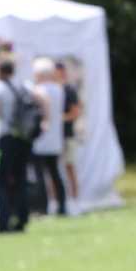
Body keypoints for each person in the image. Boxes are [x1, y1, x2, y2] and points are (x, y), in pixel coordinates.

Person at [0, 59, 30, 234]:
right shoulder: (23, 86)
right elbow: (41, 101)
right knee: (20, 179)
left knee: (1, 180)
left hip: (5, 138)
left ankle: (4, 221)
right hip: (24, 138)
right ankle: (22, 218)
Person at [30, 58, 67, 217]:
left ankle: (42, 207)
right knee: (55, 173)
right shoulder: (59, 90)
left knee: (40, 176)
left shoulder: (37, 90)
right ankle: (62, 205)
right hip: (56, 139)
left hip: (40, 140)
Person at [56, 62, 81, 210]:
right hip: (55, 137)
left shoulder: (69, 90)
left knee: (69, 166)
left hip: (67, 134)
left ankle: (74, 198)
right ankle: (56, 199)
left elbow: (75, 112)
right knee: (53, 169)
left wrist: (59, 118)